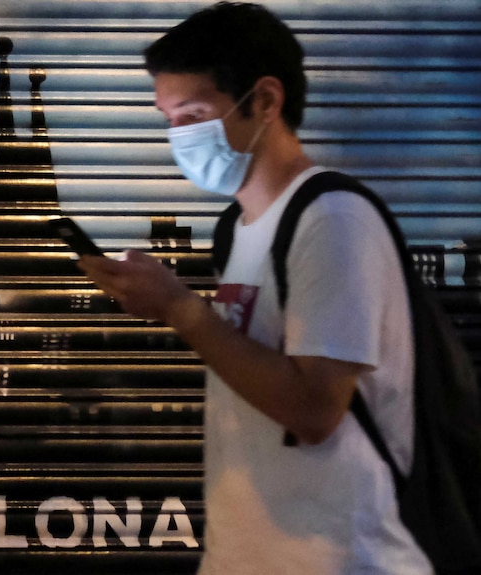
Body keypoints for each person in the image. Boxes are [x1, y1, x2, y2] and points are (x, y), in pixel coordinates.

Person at [77, 2, 433, 573]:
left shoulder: (332, 220)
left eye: (193, 114)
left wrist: (180, 309)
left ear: (265, 100)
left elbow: (316, 412)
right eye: (169, 119)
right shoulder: (237, 230)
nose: (179, 138)